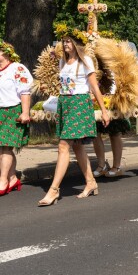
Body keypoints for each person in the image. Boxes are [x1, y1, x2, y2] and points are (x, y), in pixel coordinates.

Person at [38, 31, 110, 206]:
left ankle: (54, 190)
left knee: (63, 145)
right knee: (77, 146)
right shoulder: (63, 61)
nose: (65, 44)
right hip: (65, 104)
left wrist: (103, 110)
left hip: (79, 103)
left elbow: (94, 87)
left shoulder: (85, 61)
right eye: (64, 42)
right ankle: (91, 182)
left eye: (69, 41)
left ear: (77, 43)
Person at [0, 41, 32, 196]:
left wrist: (25, 113)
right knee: (2, 147)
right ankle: (12, 178)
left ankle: (3, 180)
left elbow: (25, 92)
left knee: (6, 146)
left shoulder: (17, 68)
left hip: (12, 111)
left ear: (7, 53)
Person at [91, 78, 130, 178]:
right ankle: (101, 166)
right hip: (99, 97)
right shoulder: (96, 63)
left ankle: (116, 167)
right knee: (95, 132)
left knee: (115, 133)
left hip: (115, 98)